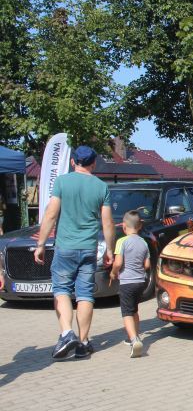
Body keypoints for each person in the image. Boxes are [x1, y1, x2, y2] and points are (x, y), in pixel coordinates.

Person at [34, 145, 115, 360]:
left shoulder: (62, 182)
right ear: (93, 163)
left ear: (73, 162)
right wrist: (110, 249)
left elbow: (51, 214)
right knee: (85, 294)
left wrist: (41, 244)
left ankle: (67, 333)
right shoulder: (101, 187)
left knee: (61, 290)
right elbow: (107, 223)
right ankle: (83, 343)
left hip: (65, 247)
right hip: (88, 248)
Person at [109, 210, 150, 358]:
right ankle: (135, 335)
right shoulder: (144, 242)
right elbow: (147, 265)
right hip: (140, 282)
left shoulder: (122, 241)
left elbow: (118, 263)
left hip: (127, 282)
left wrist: (113, 273)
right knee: (134, 309)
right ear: (139, 226)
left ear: (124, 226)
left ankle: (134, 340)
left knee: (126, 312)